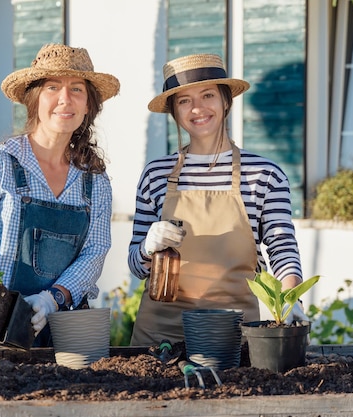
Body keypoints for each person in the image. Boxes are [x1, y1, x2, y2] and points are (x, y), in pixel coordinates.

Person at [127, 53, 305, 346]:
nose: (197, 108)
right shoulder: (156, 174)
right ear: (174, 111)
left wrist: (290, 300)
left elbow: (282, 248)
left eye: (207, 95)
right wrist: (147, 246)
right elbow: (135, 267)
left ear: (226, 101)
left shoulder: (263, 174)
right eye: (184, 100)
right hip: (158, 338)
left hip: (233, 336)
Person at [0, 44, 120, 347]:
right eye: (52, 87)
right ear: (34, 99)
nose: (64, 99)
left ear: (88, 106)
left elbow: (95, 252)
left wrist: (51, 299)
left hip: (67, 335)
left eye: (77, 89)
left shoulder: (95, 181)